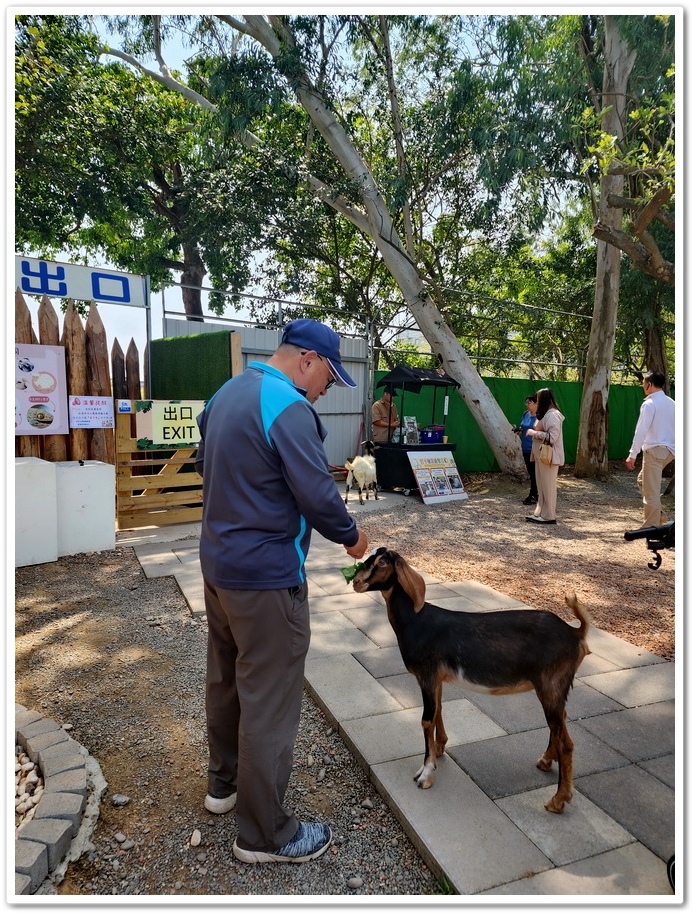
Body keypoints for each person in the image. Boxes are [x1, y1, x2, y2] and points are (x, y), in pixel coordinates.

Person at [195, 318, 368, 865]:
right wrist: (353, 535)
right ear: (307, 361)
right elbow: (317, 493)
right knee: (269, 696)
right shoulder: (290, 407)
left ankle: (222, 787)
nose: (323, 391)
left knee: (226, 677)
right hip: (267, 578)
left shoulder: (227, 393)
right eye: (327, 379)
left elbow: (207, 465)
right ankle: (264, 834)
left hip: (218, 567)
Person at [625, 371, 675, 527]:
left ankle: (651, 528)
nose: (643, 385)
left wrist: (632, 454)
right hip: (670, 451)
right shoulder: (672, 403)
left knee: (651, 492)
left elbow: (641, 430)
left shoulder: (649, 404)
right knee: (643, 481)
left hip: (654, 450)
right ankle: (658, 515)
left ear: (650, 384)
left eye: (644, 382)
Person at [525, 388, 564, 525]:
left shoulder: (553, 415)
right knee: (541, 486)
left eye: (538, 398)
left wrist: (534, 433)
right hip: (541, 455)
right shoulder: (546, 414)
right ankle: (541, 512)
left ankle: (549, 515)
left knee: (547, 486)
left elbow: (552, 437)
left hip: (548, 456)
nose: (536, 401)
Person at [515, 394, 538, 505]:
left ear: (536, 403)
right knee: (531, 472)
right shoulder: (525, 414)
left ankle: (533, 495)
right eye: (527, 402)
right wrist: (518, 431)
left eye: (530, 402)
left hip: (535, 448)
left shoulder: (540, 417)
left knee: (535, 473)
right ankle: (536, 493)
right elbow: (523, 428)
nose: (527, 405)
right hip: (525, 447)